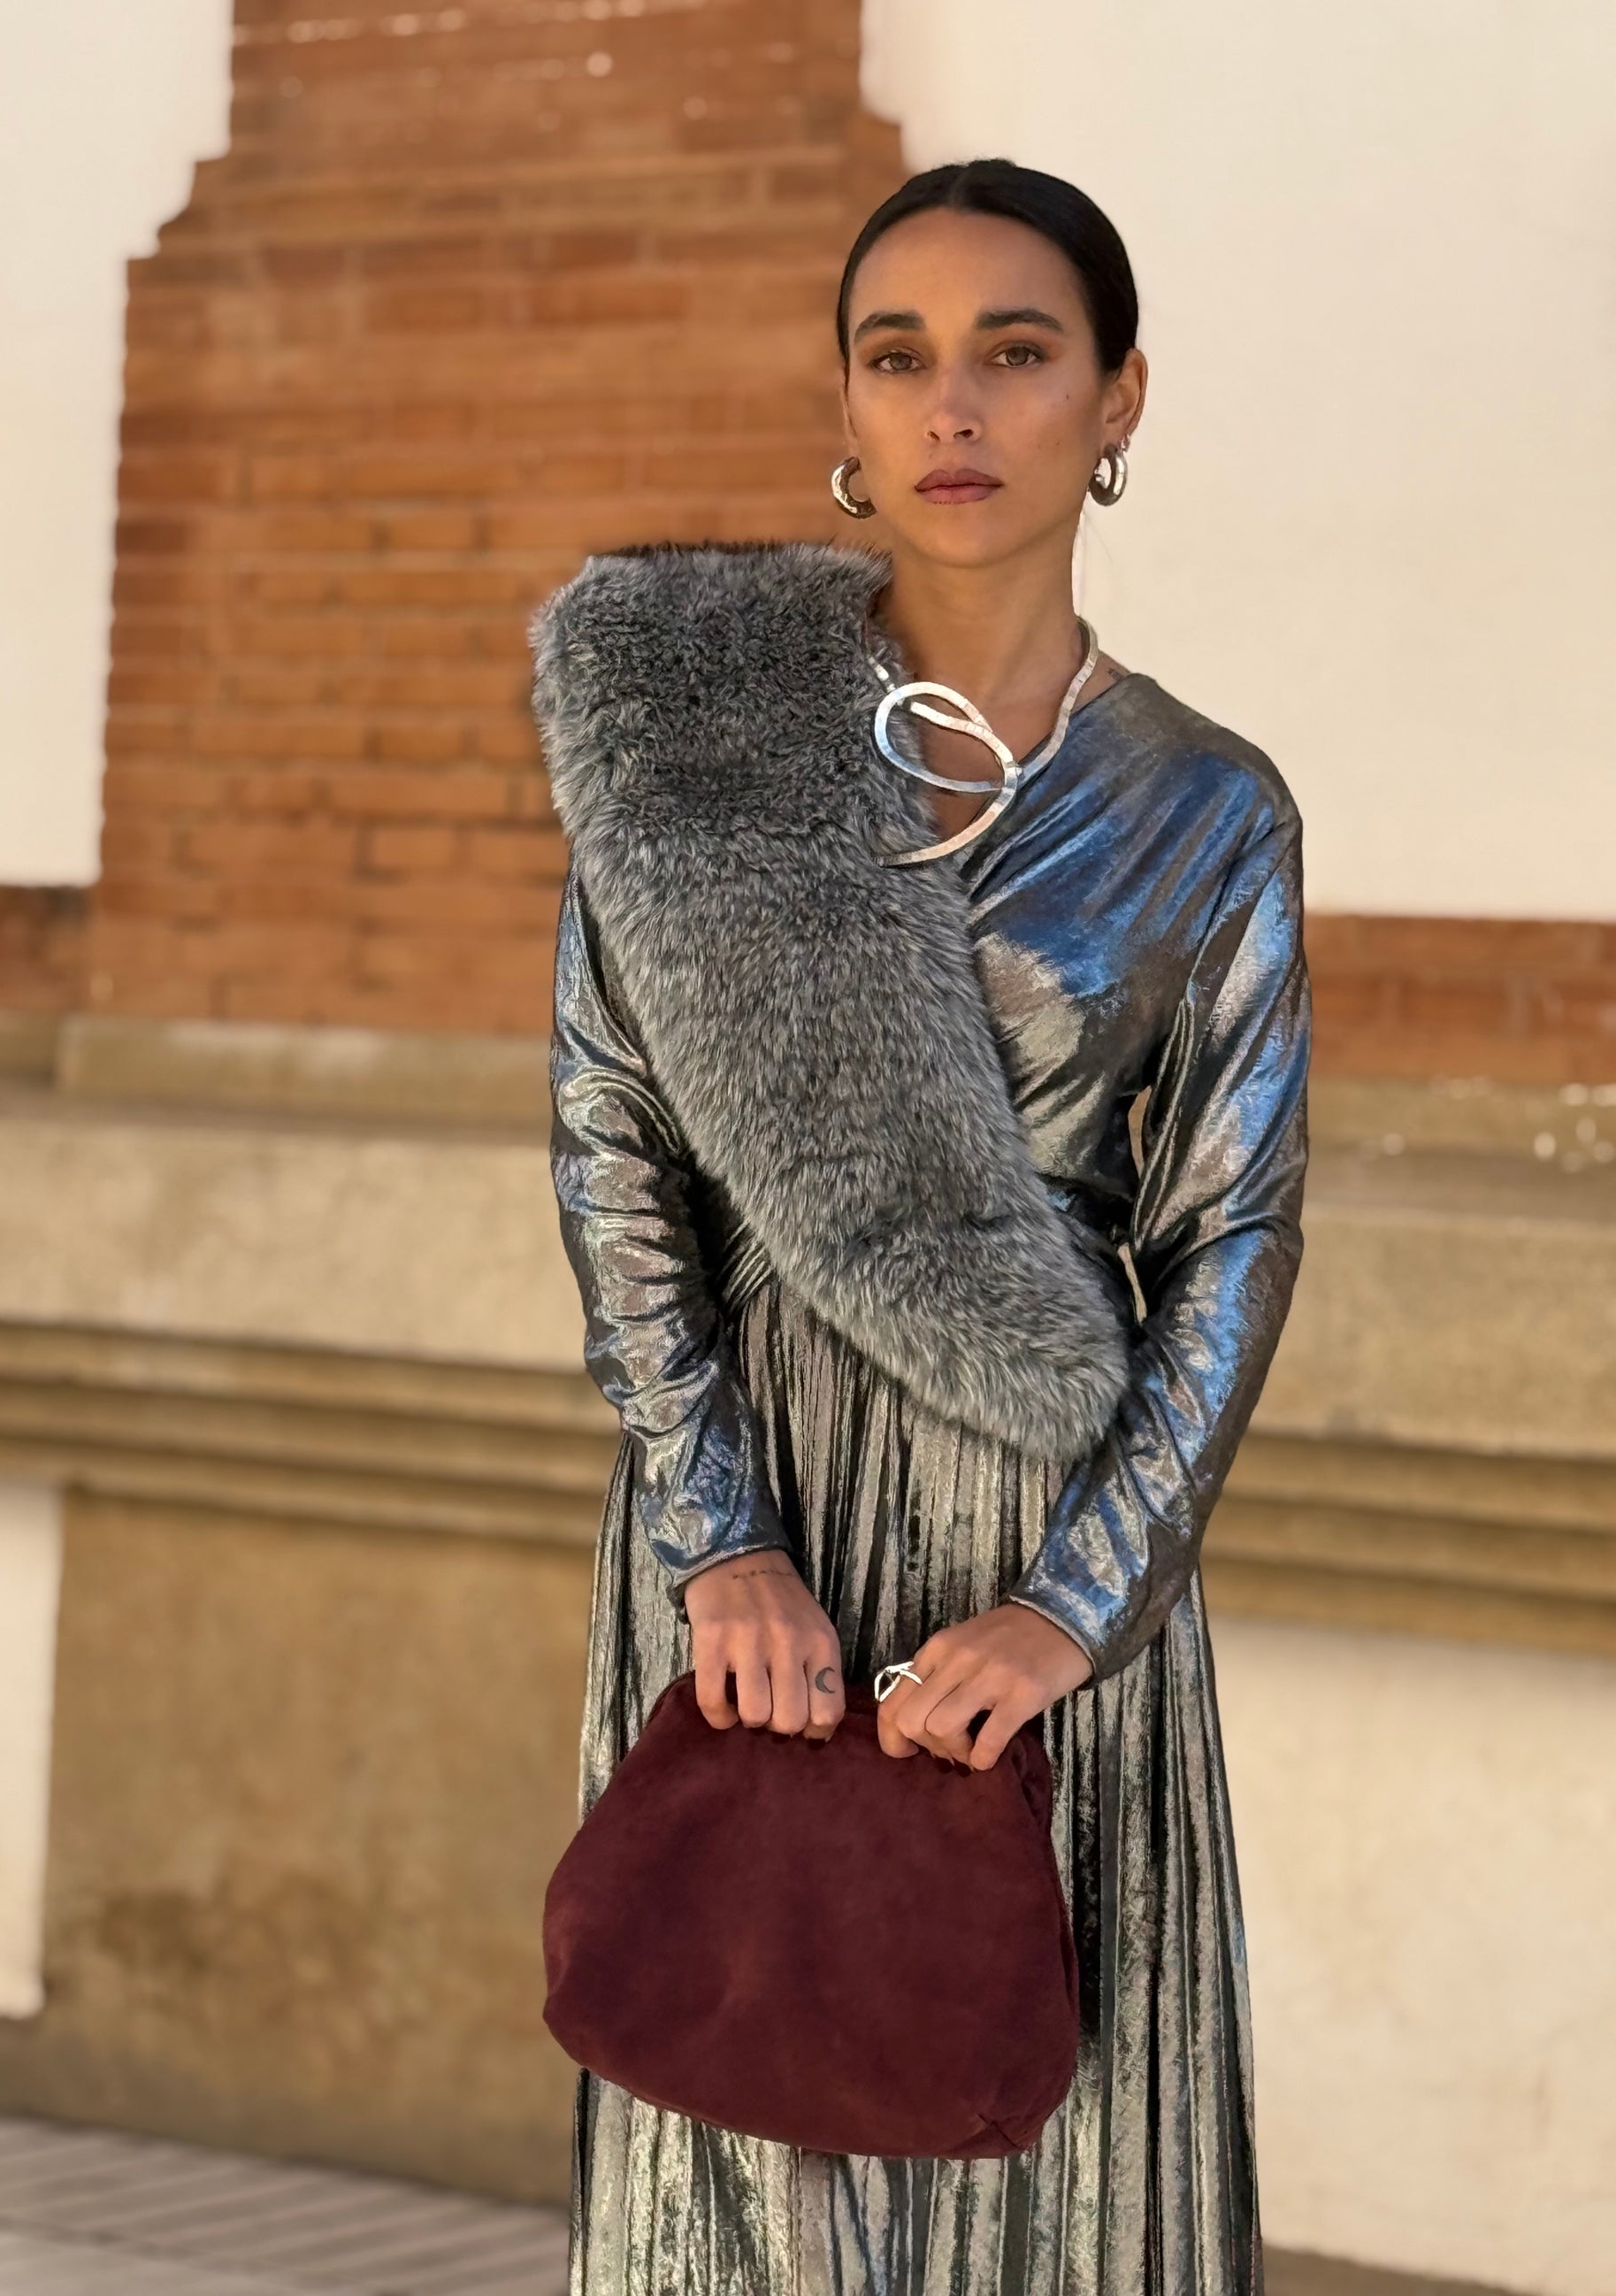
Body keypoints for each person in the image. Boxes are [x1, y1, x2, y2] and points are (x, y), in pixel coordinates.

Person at [533, 157, 1309, 2296]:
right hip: (752, 1529)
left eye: (1015, 352)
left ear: (1116, 399)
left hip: (1056, 1537)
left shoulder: (1205, 804)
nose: (951, 405)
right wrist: (719, 1531)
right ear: (848, 413)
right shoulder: (697, 745)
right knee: (743, 2156)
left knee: (1041, 2162)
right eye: (898, 356)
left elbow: (1233, 1229)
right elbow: (614, 1148)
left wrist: (1075, 1607)